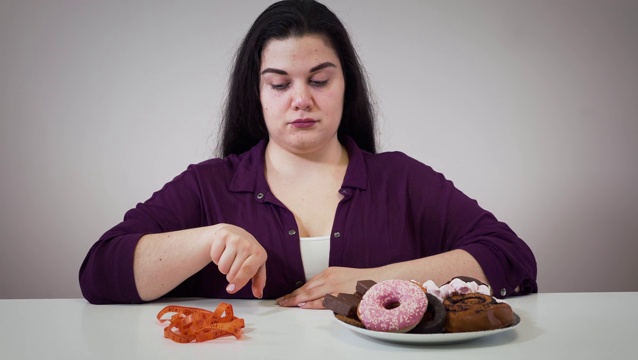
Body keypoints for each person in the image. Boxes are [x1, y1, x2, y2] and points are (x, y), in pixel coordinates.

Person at [79, 0, 537, 306]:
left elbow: (511, 258)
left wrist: (375, 282)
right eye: (280, 83)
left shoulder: (402, 179)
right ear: (256, 93)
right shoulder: (207, 185)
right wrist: (208, 239)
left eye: (319, 80)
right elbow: (99, 273)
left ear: (345, 86)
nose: (301, 99)